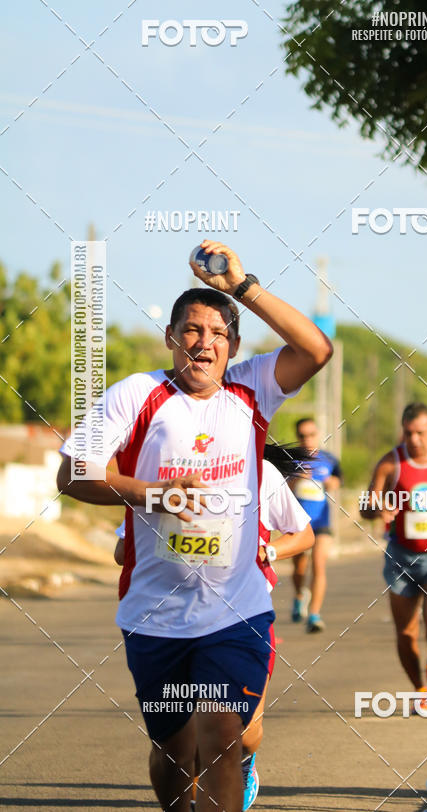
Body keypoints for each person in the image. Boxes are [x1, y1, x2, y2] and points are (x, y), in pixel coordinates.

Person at [57, 240, 333, 812]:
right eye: (191, 330)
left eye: (218, 333)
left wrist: (240, 287)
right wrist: (148, 494)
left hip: (237, 609)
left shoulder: (252, 389)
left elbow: (316, 348)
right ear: (171, 337)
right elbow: (70, 474)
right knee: (175, 754)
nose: (204, 342)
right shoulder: (138, 394)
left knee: (222, 743)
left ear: (232, 347)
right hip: (155, 611)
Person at [115, 442, 315, 811]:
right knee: (181, 745)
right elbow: (121, 548)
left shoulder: (261, 475)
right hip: (169, 620)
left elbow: (304, 534)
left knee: (244, 734)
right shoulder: (164, 478)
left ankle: (244, 762)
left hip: (240, 617)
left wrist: (268, 550)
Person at [361, 402, 427, 701]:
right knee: (406, 632)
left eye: (421, 433)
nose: (414, 440)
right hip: (401, 556)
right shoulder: (390, 463)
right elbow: (365, 505)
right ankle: (420, 690)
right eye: (408, 433)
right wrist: (377, 510)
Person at [289, 418, 341, 632]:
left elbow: (338, 481)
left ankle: (314, 615)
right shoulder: (289, 459)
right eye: (302, 435)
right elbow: (280, 487)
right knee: (299, 567)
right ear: (297, 437)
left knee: (319, 565)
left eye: (310, 434)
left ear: (317, 434)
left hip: (321, 522)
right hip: (297, 522)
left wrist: (331, 482)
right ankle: (300, 594)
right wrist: (296, 479)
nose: (307, 439)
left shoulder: (328, 459)